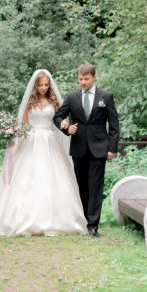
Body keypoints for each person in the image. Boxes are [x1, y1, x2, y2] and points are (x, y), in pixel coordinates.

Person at [0, 70, 87, 237]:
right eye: (40, 85)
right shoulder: (30, 102)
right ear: (35, 85)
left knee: (54, 176)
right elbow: (23, 124)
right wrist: (11, 132)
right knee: (27, 176)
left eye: (46, 85)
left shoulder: (54, 101)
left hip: (50, 141)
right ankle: (22, 217)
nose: (43, 88)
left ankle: (59, 218)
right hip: (32, 139)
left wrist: (65, 123)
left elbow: (60, 119)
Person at [53, 64, 119, 237]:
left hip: (99, 148)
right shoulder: (72, 97)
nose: (83, 82)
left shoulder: (106, 97)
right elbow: (58, 117)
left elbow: (114, 126)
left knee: (95, 187)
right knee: (81, 186)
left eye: (86, 79)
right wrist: (66, 128)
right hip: (79, 147)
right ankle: (81, 221)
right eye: (80, 79)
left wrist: (112, 148)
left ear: (94, 77)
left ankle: (93, 225)